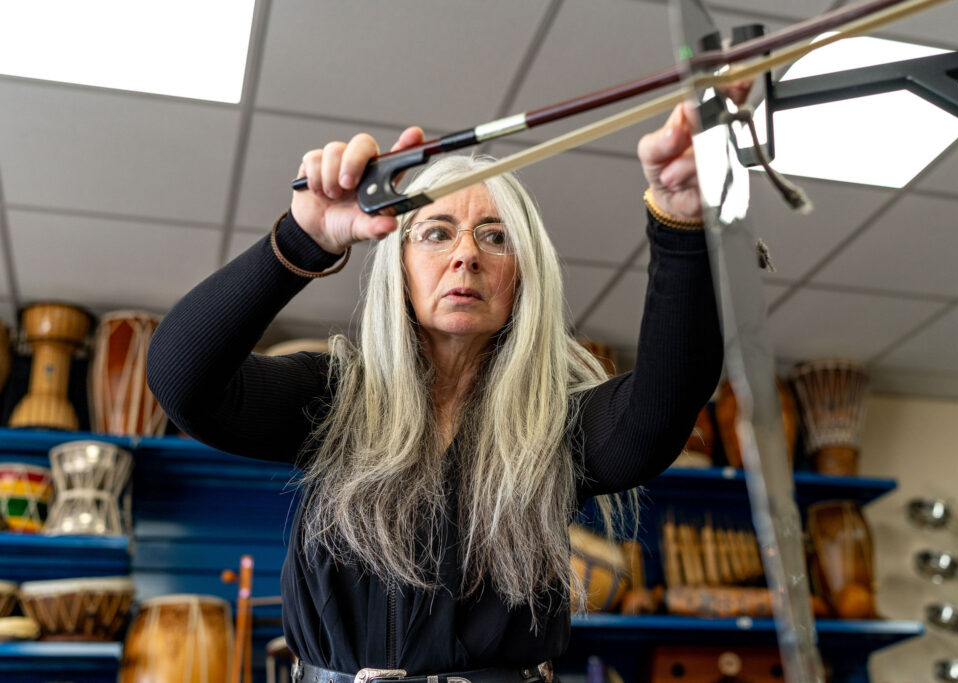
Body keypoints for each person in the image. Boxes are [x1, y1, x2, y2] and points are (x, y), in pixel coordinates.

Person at [147, 100, 723, 683]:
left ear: (523, 277)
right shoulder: (335, 399)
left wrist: (680, 225)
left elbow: (663, 406)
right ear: (399, 265)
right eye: (436, 233)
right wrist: (304, 238)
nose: (465, 254)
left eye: (494, 237)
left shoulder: (558, 425)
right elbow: (182, 379)